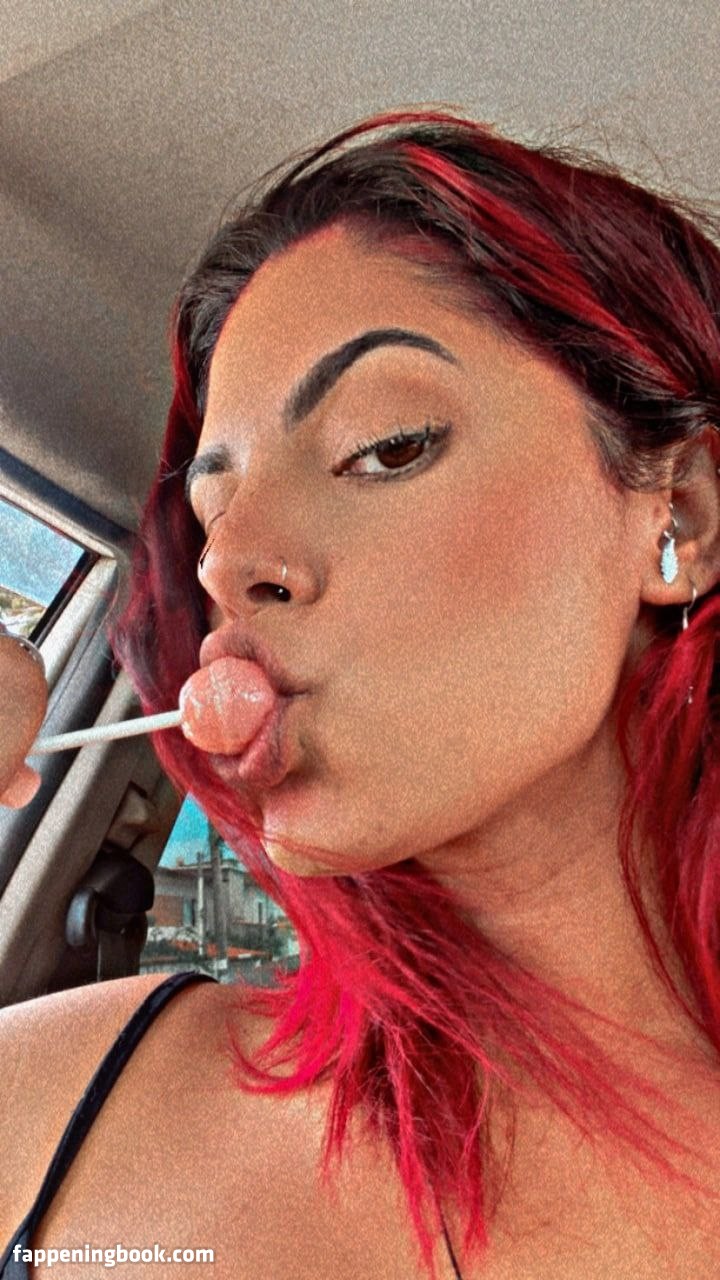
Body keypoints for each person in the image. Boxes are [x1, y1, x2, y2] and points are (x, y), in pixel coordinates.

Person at [1, 109, 719, 1278]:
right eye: (213, 510)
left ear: (678, 516)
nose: (228, 564)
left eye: (386, 446)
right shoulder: (43, 1095)